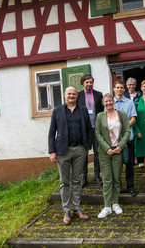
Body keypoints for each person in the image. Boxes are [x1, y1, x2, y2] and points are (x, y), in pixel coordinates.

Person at [48, 86, 93, 225]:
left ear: (77, 95)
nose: (72, 96)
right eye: (69, 94)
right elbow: (51, 132)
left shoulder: (83, 110)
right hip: (63, 151)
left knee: (77, 181)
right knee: (64, 182)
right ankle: (66, 211)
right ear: (64, 95)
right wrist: (52, 151)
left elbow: (89, 129)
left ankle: (77, 209)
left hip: (80, 149)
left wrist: (87, 146)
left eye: (74, 94)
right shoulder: (57, 111)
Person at [95, 94, 130, 218]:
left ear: (113, 102)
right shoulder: (100, 116)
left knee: (116, 177)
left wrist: (120, 145)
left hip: (118, 150)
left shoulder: (122, 115)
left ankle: (115, 204)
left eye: (110, 101)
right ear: (103, 103)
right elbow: (98, 133)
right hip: (105, 152)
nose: (108, 103)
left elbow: (127, 131)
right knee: (107, 178)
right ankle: (107, 207)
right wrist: (106, 148)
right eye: (106, 102)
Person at [77, 74, 104, 187]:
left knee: (98, 153)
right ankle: (84, 177)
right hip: (84, 130)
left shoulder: (98, 95)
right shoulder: (78, 95)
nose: (89, 84)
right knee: (84, 153)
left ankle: (97, 176)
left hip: (96, 128)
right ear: (83, 83)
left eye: (91, 82)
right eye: (87, 82)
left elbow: (102, 112)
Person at [113, 79, 139, 196]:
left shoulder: (129, 102)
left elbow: (133, 118)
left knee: (129, 164)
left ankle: (130, 186)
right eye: (117, 87)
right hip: (114, 139)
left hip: (128, 138)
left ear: (124, 89)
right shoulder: (109, 103)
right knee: (116, 165)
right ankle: (117, 187)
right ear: (114, 89)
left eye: (121, 88)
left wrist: (123, 127)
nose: (119, 89)